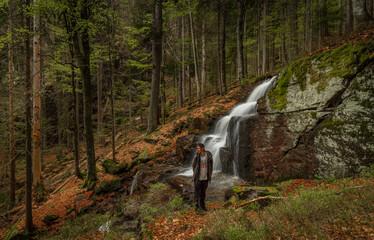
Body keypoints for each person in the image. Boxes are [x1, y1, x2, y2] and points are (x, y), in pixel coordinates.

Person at [192, 143, 213, 212]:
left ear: (202, 148)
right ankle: (197, 207)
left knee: (203, 193)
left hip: (205, 178)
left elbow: (211, 166)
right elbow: (193, 166)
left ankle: (203, 206)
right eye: (197, 148)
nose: (197, 150)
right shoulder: (196, 156)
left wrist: (209, 175)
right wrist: (196, 174)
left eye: (198, 148)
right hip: (198, 178)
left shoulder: (208, 156)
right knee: (196, 193)